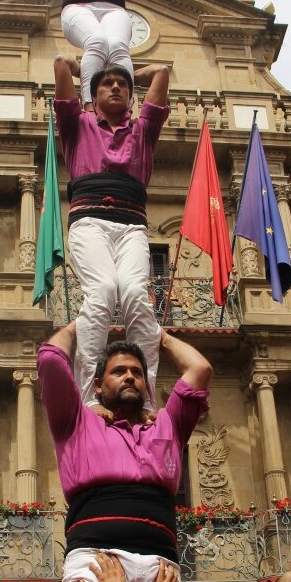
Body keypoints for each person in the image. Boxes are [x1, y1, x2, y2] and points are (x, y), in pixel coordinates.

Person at [38, 322, 211, 582]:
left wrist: (158, 334)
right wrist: (83, 323)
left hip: (159, 566)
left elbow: (199, 368)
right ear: (98, 387)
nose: (130, 376)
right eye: (119, 371)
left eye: (137, 372)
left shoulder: (168, 425)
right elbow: (51, 359)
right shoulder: (75, 422)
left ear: (146, 386)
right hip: (95, 558)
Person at [50, 54, 169, 406]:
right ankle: (89, 397)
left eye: (123, 84)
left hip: (132, 225)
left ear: (132, 97)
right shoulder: (78, 125)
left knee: (135, 295)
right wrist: (84, 69)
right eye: (107, 83)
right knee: (102, 292)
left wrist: (130, 70)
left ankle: (146, 399)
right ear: (93, 94)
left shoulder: (143, 130)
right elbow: (59, 65)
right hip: (90, 222)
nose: (115, 86)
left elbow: (162, 73)